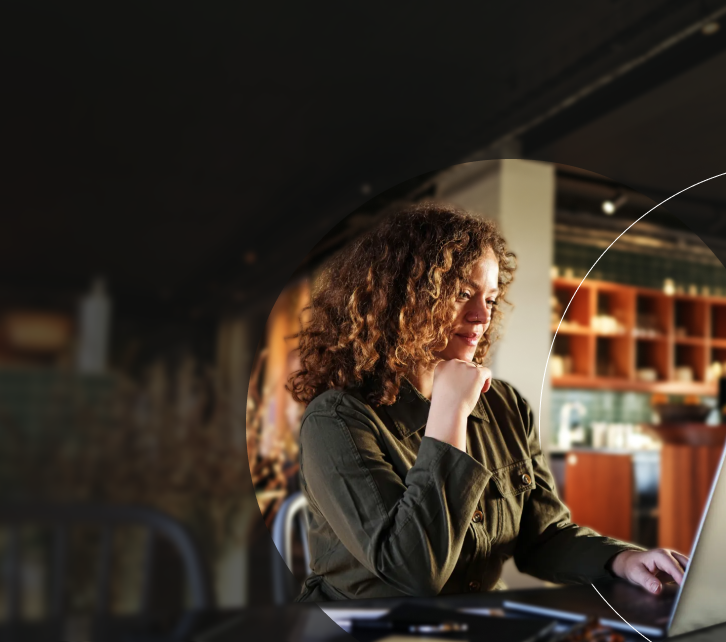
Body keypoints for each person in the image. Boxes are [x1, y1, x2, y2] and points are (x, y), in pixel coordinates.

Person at [288, 204, 687, 601]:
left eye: (491, 299)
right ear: (399, 298)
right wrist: (449, 414)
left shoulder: (505, 405)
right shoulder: (336, 420)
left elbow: (544, 536)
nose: (481, 316)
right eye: (463, 294)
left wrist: (622, 561)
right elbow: (412, 572)